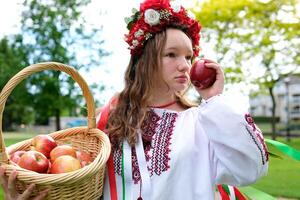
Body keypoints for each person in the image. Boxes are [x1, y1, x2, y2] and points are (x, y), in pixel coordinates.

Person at [0, 0, 268, 199]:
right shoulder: (112, 115)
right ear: (146, 60)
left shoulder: (204, 120)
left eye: (189, 57)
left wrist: (214, 100)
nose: (185, 65)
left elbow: (250, 169)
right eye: (172, 54)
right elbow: (84, 184)